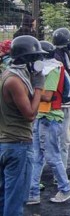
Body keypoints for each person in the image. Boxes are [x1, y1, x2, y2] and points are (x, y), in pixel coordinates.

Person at [0, 36, 45, 214]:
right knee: (15, 199)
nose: (37, 63)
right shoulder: (15, 81)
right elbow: (30, 115)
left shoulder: (7, 74)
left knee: (4, 196)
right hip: (17, 145)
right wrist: (39, 88)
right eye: (35, 58)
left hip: (5, 144)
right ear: (26, 60)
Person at [27, 41, 70, 205]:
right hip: (42, 116)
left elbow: (47, 95)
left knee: (52, 156)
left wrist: (29, 90)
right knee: (35, 156)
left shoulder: (53, 69)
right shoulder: (46, 69)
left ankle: (66, 189)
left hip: (50, 117)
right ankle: (32, 193)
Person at [51, 27, 70, 170]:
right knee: (61, 141)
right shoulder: (58, 57)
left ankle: (60, 174)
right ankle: (60, 176)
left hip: (63, 102)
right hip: (60, 104)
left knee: (61, 141)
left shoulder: (63, 54)